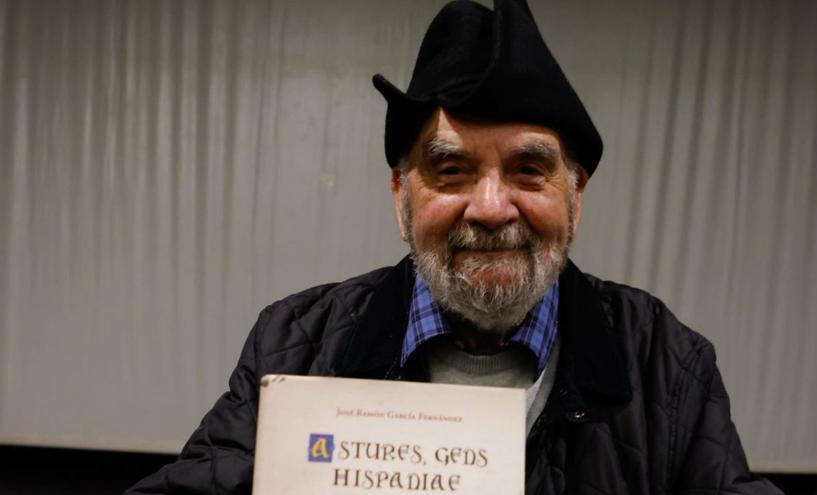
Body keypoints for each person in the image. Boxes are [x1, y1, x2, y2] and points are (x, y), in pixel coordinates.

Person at [127, 1, 781, 494]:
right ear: (400, 196)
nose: (491, 208)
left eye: (528, 169)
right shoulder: (295, 342)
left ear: (575, 196)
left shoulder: (666, 363)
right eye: (451, 170)